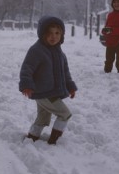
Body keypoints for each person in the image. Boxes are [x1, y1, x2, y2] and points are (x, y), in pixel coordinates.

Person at [19, 16, 77, 145]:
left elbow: (65, 73)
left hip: (49, 92)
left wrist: (71, 87)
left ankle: (32, 137)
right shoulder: (37, 50)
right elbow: (27, 69)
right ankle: (53, 141)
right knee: (65, 114)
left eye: (57, 33)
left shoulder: (60, 53)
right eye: (49, 33)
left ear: (61, 35)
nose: (53, 37)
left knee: (43, 118)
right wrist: (26, 85)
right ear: (42, 34)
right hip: (44, 92)